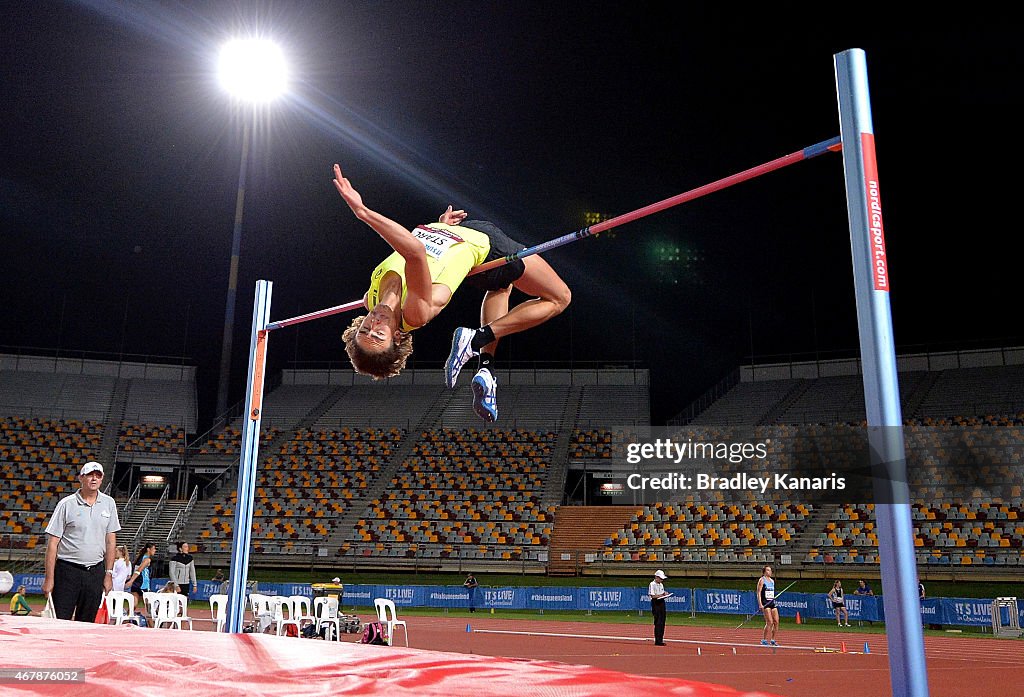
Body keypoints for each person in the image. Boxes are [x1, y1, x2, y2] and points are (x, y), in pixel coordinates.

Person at [333, 164, 571, 422]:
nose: (373, 324)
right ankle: (477, 339)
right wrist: (362, 211)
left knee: (501, 287)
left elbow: (425, 252)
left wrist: (441, 227)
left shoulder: (372, 298)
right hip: (486, 247)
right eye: (379, 333)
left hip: (461, 240)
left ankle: (486, 368)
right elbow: (413, 252)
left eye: (364, 330)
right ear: (398, 336)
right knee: (559, 298)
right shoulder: (415, 313)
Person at [42, 461, 120, 621]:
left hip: (95, 572)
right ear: (81, 478)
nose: (94, 479)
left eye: (98, 475)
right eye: (90, 475)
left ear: (102, 479)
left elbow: (111, 542)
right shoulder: (66, 504)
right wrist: (49, 578)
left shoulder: (109, 503)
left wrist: (109, 574)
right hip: (67, 571)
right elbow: (52, 544)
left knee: (87, 622)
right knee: (60, 619)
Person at [127, 542, 156, 625]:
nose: (155, 550)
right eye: (153, 549)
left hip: (136, 584)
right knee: (148, 607)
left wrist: (132, 581)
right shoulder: (147, 559)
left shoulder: (139, 558)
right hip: (143, 585)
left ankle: (124, 622)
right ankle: (152, 626)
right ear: (148, 549)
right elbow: (138, 570)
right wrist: (131, 581)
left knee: (133, 605)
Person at [757, 565, 779, 647]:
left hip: (772, 602)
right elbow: (758, 592)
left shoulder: (772, 581)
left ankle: (773, 639)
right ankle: (764, 639)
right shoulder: (762, 580)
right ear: (764, 572)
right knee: (769, 622)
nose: (770, 572)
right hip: (765, 603)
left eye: (770, 570)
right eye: (768, 570)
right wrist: (760, 604)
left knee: (776, 621)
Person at [648, 569, 670, 646]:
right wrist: (661, 595)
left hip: (661, 602)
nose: (661, 580)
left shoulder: (661, 585)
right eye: (660, 578)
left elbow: (661, 593)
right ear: (656, 577)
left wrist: (664, 594)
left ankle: (661, 639)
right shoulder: (652, 584)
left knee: (662, 621)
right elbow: (653, 595)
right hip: (656, 603)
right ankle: (657, 640)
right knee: (658, 622)